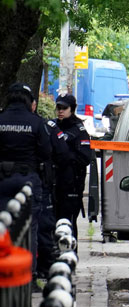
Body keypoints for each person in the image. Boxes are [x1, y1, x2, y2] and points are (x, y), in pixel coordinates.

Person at [0, 83, 51, 280]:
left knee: (3, 226)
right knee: (29, 228)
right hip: (27, 180)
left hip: (2, 180)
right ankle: (26, 276)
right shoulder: (36, 123)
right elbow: (46, 152)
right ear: (29, 100)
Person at [34, 99, 71, 278]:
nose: (60, 111)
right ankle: (43, 268)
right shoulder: (44, 125)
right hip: (40, 184)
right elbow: (62, 153)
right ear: (33, 105)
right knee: (42, 226)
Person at [53, 94, 93, 241]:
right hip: (53, 183)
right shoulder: (52, 126)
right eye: (58, 108)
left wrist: (65, 156)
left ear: (72, 109)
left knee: (68, 222)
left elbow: (84, 158)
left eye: (64, 108)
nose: (60, 111)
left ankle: (69, 254)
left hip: (71, 185)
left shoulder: (79, 130)